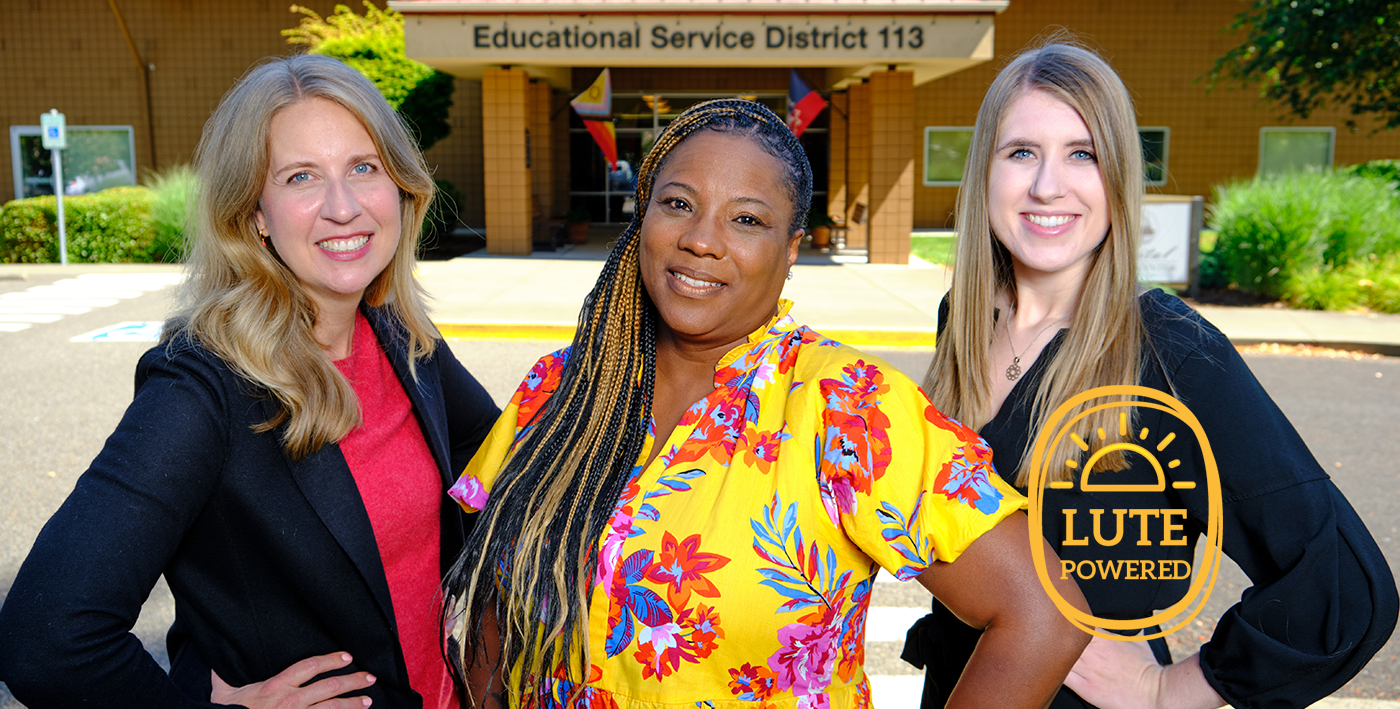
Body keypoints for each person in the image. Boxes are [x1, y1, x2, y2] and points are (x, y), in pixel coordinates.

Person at [441, 98, 1091, 708]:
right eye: (677, 204)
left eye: (747, 219)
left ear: (790, 250)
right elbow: (496, 621)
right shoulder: (557, 390)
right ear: (644, 219)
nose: (703, 239)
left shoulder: (846, 407)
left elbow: (1044, 614)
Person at [901, 41, 1398, 709]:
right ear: (984, 171)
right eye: (1021, 152)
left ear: (1118, 177)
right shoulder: (963, 319)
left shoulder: (1169, 353)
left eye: (1084, 153)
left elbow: (1341, 585)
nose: (1048, 185)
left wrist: (1168, 689)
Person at [0, 54, 501, 708]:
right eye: (301, 177)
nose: (344, 206)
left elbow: (495, 463)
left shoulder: (396, 335)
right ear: (255, 214)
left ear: (399, 187)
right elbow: (46, 639)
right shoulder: (202, 388)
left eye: (362, 167)